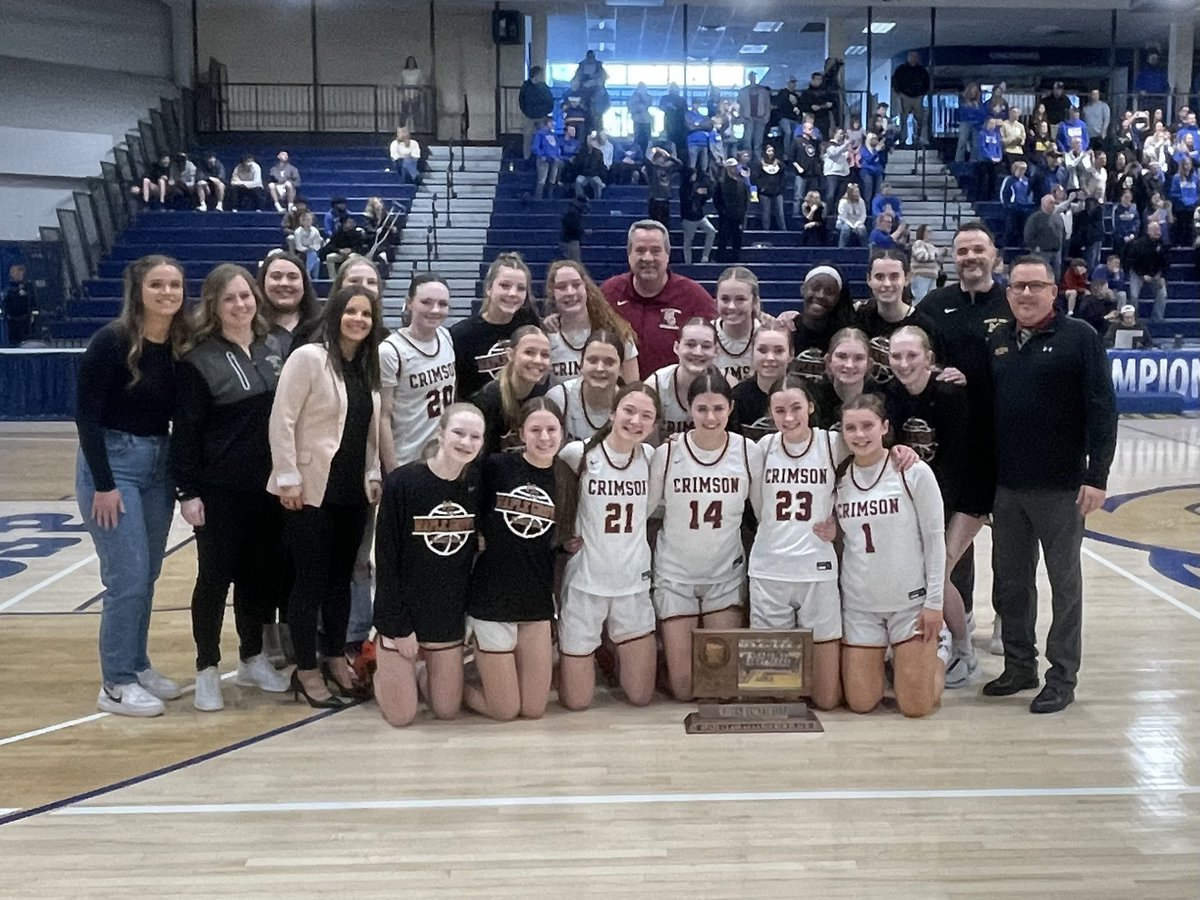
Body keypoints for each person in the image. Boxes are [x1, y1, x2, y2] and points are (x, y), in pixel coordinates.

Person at [984, 256, 1117, 714]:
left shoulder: (1080, 338)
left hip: (1062, 489)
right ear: (1008, 292)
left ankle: (1062, 676)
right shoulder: (998, 340)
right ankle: (1020, 665)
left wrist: (1096, 477)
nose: (1025, 294)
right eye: (1018, 286)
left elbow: (1103, 411)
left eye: (1035, 286)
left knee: (1064, 586)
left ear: (1052, 292)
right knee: (1011, 583)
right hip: (1008, 488)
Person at [171, 265, 291, 711]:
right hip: (219, 490)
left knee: (260, 575)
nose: (240, 305)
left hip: (270, 488)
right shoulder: (197, 359)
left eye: (246, 296)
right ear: (214, 305)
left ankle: (252, 657)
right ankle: (206, 668)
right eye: (230, 299)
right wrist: (187, 492)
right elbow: (184, 433)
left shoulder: (273, 345)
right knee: (214, 579)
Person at [75, 255, 189, 717]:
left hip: (158, 466)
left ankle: (137, 665)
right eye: (157, 284)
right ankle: (116, 683)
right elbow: (85, 416)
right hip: (113, 465)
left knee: (148, 576)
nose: (167, 293)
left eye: (175, 285)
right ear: (138, 291)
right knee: (126, 579)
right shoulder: (111, 342)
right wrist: (104, 484)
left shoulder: (179, 344)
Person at [267, 284, 384, 708]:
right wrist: (287, 477)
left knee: (340, 583)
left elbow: (368, 433)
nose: (358, 319)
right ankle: (307, 670)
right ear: (335, 314)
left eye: (366, 314)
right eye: (351, 311)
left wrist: (373, 473)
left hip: (351, 493)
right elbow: (282, 419)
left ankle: (335, 658)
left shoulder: (366, 368)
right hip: (309, 490)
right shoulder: (309, 358)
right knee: (309, 583)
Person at [915, 222, 1014, 655]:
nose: (970, 258)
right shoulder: (935, 304)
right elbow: (917, 356)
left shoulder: (1014, 300)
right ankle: (963, 616)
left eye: (978, 249)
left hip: (1008, 440)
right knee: (956, 536)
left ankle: (1008, 622)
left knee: (1011, 543)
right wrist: (939, 374)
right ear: (951, 258)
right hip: (956, 444)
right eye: (962, 251)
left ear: (994, 254)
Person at [835, 393, 946, 718]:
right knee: (861, 702)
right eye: (851, 428)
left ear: (885, 427)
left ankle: (934, 658)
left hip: (909, 604)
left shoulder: (912, 472)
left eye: (867, 426)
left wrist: (934, 604)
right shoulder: (839, 477)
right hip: (860, 606)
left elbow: (935, 540)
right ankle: (892, 665)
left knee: (915, 706)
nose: (860, 435)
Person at [372, 403, 484, 727]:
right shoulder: (403, 482)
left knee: (447, 710)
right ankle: (387, 672)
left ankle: (421, 673)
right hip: (403, 613)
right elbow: (386, 559)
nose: (466, 442)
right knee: (402, 717)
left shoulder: (475, 486)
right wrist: (398, 625)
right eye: (458, 433)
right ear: (440, 433)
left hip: (445, 614)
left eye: (474, 436)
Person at [649, 372, 758, 700]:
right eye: (702, 409)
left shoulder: (749, 452)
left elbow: (767, 517)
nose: (710, 417)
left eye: (718, 408)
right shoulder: (667, 454)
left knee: (721, 687)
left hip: (724, 574)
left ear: (731, 408)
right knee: (684, 690)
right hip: (675, 574)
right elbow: (641, 514)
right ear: (689, 410)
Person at [556, 383, 661, 710]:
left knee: (641, 696)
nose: (635, 421)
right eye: (629, 411)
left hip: (632, 582)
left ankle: (614, 660)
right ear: (613, 413)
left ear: (654, 423)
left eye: (646, 416)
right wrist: (562, 540)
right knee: (577, 703)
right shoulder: (578, 454)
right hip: (586, 582)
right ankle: (591, 661)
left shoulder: (651, 457)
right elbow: (558, 506)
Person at [459, 398, 562, 721]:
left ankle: (487, 670)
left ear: (563, 432)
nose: (544, 437)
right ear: (520, 434)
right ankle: (440, 680)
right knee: (504, 711)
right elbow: (465, 502)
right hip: (492, 598)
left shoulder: (566, 477)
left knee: (533, 710)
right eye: (535, 430)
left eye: (551, 429)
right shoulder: (497, 467)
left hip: (535, 602)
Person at [883, 326, 975, 687]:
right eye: (896, 356)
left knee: (939, 571)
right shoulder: (889, 395)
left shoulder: (951, 395)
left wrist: (933, 513)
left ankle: (965, 652)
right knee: (924, 571)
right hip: (918, 498)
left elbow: (958, 463)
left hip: (965, 497)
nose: (904, 364)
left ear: (929, 359)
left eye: (912, 356)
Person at [746, 375, 843, 709]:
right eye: (780, 410)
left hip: (817, 569)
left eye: (796, 408)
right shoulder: (761, 449)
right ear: (770, 413)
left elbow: (868, 472)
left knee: (826, 699)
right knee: (780, 694)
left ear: (811, 407)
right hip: (770, 568)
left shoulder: (833, 443)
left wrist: (839, 524)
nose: (788, 418)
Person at [600, 220, 715, 379]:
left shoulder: (694, 298)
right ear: (629, 254)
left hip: (677, 397)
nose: (647, 258)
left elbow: (723, 334)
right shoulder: (609, 293)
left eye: (655, 251)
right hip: (621, 397)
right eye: (640, 250)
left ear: (668, 255)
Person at [378, 273, 456, 473]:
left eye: (442, 304)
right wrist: (393, 470)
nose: (435, 310)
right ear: (409, 303)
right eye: (426, 302)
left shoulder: (446, 336)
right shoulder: (390, 351)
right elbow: (383, 417)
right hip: (408, 459)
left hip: (443, 456)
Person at [450, 252, 540, 399]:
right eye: (505, 285)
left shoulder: (529, 323)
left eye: (521, 288)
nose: (513, 293)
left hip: (522, 414)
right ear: (488, 288)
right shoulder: (461, 334)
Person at [543, 260, 639, 383]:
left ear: (586, 287)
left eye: (576, 285)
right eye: (562, 287)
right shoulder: (546, 338)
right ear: (552, 292)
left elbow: (632, 389)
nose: (570, 292)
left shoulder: (617, 333)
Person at [471, 325, 553, 457]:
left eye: (545, 355)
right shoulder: (488, 400)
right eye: (529, 352)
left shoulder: (541, 392)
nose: (538, 360)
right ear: (510, 355)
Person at [546, 330, 625, 443]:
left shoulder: (629, 406)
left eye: (609, 362)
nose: (600, 368)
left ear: (621, 369)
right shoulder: (559, 399)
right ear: (581, 365)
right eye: (593, 360)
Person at [645, 318, 718, 439]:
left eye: (706, 346)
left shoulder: (728, 385)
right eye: (690, 344)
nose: (697, 352)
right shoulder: (655, 386)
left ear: (716, 351)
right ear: (676, 348)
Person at [855, 250, 935, 341]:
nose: (887, 283)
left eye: (894, 277)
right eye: (879, 277)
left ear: (907, 278)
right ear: (869, 279)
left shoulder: (925, 327)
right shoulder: (857, 320)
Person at [809, 327, 878, 430]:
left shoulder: (883, 399)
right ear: (829, 360)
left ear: (869, 364)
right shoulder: (813, 398)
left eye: (859, 358)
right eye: (842, 356)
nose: (849, 365)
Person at [729, 323, 790, 437]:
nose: (770, 358)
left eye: (778, 351)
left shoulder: (805, 395)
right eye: (762, 350)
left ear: (791, 354)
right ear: (752, 353)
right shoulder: (736, 398)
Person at [256, 251, 320, 357]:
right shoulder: (249, 328)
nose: (284, 283)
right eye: (276, 277)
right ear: (263, 282)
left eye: (293, 277)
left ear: (304, 284)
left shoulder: (323, 327)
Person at [712, 266, 762, 383]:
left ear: (754, 302)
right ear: (716, 301)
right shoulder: (706, 335)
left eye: (740, 299)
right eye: (725, 299)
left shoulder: (767, 335)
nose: (732, 307)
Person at [1124, 220, 1171, 320]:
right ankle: (1133, 318)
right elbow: (1132, 261)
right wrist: (1142, 275)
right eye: (1154, 229)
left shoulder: (1164, 245)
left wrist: (1162, 276)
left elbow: (1166, 263)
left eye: (1158, 229)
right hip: (1138, 272)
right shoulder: (1139, 244)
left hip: (1155, 274)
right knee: (1134, 296)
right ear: (1148, 231)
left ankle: (1157, 317)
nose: (1157, 231)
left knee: (1163, 294)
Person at [1023, 194, 1066, 281]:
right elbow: (1028, 234)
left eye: (1054, 203)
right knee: (1041, 277)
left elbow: (1063, 233)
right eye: (1050, 203)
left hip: (1056, 253)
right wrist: (1035, 247)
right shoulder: (1035, 218)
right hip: (1042, 253)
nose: (1053, 205)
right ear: (1043, 204)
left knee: (1056, 277)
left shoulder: (1058, 217)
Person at [715, 158, 750, 262]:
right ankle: (721, 258)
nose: (735, 169)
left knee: (737, 238)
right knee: (723, 238)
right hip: (725, 216)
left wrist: (742, 213)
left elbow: (745, 200)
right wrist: (724, 212)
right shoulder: (721, 183)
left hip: (738, 216)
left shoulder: (741, 182)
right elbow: (717, 201)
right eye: (733, 167)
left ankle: (735, 258)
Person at [893, 51, 930, 146]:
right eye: (912, 57)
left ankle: (920, 138)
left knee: (920, 119)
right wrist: (899, 93)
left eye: (915, 57)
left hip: (918, 96)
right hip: (904, 96)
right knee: (903, 118)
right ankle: (902, 139)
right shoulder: (901, 69)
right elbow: (895, 80)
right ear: (908, 58)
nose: (914, 58)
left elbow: (927, 82)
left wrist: (923, 93)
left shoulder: (921, 70)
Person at [680, 170, 717, 264]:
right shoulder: (684, 188)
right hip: (689, 218)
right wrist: (696, 193)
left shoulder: (697, 185)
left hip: (700, 216)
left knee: (711, 231)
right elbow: (686, 201)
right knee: (688, 241)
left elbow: (704, 200)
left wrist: (705, 194)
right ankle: (688, 262)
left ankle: (705, 256)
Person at [518, 67, 555, 160]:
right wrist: (527, 112)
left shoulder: (543, 87)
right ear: (535, 75)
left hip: (541, 116)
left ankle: (541, 157)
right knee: (527, 137)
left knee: (543, 137)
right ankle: (527, 157)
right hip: (529, 116)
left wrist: (547, 111)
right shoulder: (526, 87)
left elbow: (550, 100)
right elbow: (522, 101)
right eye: (540, 74)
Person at [791, 119, 824, 216]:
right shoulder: (797, 140)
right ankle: (796, 214)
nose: (812, 130)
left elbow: (817, 155)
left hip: (812, 173)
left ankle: (810, 214)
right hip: (801, 173)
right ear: (804, 129)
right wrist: (798, 167)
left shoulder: (814, 142)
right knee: (799, 196)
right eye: (810, 129)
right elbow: (791, 158)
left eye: (812, 129)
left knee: (812, 196)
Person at [645, 145, 683, 228]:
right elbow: (647, 162)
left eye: (663, 158)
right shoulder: (652, 170)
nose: (662, 160)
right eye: (660, 157)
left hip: (665, 201)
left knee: (665, 225)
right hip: (654, 201)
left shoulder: (668, 169)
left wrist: (668, 156)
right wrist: (655, 151)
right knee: (654, 225)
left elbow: (680, 164)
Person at [738, 72, 772, 159]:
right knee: (747, 141)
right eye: (751, 77)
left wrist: (766, 117)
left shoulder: (763, 91)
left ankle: (757, 160)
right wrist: (742, 117)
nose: (752, 78)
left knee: (758, 141)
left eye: (754, 76)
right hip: (748, 119)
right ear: (748, 78)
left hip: (760, 118)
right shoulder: (743, 91)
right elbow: (739, 106)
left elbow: (767, 105)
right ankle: (747, 159)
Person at [753, 145, 786, 231]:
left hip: (777, 192)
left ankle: (783, 232)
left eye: (772, 151)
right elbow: (756, 178)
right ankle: (766, 232)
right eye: (769, 151)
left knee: (780, 214)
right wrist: (762, 188)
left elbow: (783, 178)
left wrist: (781, 188)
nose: (771, 153)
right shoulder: (760, 164)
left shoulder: (779, 164)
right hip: (765, 193)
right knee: (765, 215)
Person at [2, 263, 35, 346]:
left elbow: (34, 305)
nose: (18, 273)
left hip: (27, 326)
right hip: (9, 326)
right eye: (15, 270)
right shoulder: (6, 288)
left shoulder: (30, 288)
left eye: (21, 270)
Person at [1169, 157, 1199, 247]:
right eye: (1185, 164)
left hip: (1192, 208)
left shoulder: (1195, 178)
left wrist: (1195, 201)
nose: (1187, 166)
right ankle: (1180, 246)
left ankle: (1190, 245)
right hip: (1181, 208)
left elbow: (1198, 192)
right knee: (1181, 228)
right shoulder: (1176, 178)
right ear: (1182, 165)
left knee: (1191, 228)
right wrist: (1183, 200)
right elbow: (1173, 193)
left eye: (1188, 164)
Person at [531, 118, 563, 201]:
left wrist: (557, 156)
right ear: (548, 123)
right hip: (543, 159)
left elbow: (557, 147)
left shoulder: (553, 135)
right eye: (552, 123)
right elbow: (535, 147)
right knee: (542, 179)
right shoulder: (540, 134)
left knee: (553, 178)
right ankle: (538, 197)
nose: (553, 124)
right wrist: (541, 155)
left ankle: (550, 196)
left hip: (554, 159)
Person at [909, 226, 942, 305]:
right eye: (928, 231)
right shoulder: (919, 243)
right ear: (923, 232)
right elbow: (921, 256)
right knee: (920, 298)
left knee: (932, 299)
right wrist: (937, 254)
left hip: (932, 276)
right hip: (921, 275)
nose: (931, 233)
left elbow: (937, 259)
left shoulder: (931, 246)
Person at [799, 71, 836, 138]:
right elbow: (801, 106)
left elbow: (833, 104)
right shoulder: (806, 93)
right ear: (813, 80)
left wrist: (826, 106)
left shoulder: (826, 93)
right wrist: (810, 108)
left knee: (824, 137)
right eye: (817, 79)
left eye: (821, 79)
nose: (820, 81)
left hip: (824, 119)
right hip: (811, 120)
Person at [290, 211, 324, 280]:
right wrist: (306, 248)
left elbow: (317, 244)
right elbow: (298, 246)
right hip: (301, 252)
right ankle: (308, 273)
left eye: (310, 220)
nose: (309, 222)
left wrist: (312, 248)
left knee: (317, 259)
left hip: (312, 251)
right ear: (302, 221)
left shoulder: (315, 231)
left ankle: (313, 277)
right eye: (307, 220)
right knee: (314, 257)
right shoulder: (298, 232)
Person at [956, 83, 984, 163]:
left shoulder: (979, 101)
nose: (974, 92)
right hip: (965, 122)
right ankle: (958, 161)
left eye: (976, 91)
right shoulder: (962, 99)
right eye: (972, 90)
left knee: (975, 144)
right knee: (962, 141)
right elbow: (961, 112)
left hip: (976, 124)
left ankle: (973, 161)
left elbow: (981, 113)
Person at [822, 130, 852, 208]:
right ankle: (827, 212)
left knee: (840, 196)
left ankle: (836, 212)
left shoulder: (841, 146)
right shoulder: (829, 145)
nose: (842, 136)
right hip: (832, 173)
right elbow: (833, 153)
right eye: (840, 134)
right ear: (835, 134)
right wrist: (844, 145)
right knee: (831, 194)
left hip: (843, 174)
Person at [836, 183, 867, 249]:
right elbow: (843, 217)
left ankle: (865, 249)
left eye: (858, 192)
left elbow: (863, 215)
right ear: (851, 193)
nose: (858, 193)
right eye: (856, 192)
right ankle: (841, 249)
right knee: (846, 229)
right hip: (844, 222)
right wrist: (851, 225)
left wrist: (857, 224)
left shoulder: (861, 201)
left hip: (857, 222)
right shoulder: (843, 202)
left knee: (862, 229)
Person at [628, 81, 654, 157]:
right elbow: (631, 105)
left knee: (647, 139)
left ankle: (646, 155)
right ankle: (638, 155)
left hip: (646, 121)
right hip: (638, 121)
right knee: (638, 138)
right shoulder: (633, 97)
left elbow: (647, 103)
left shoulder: (648, 96)